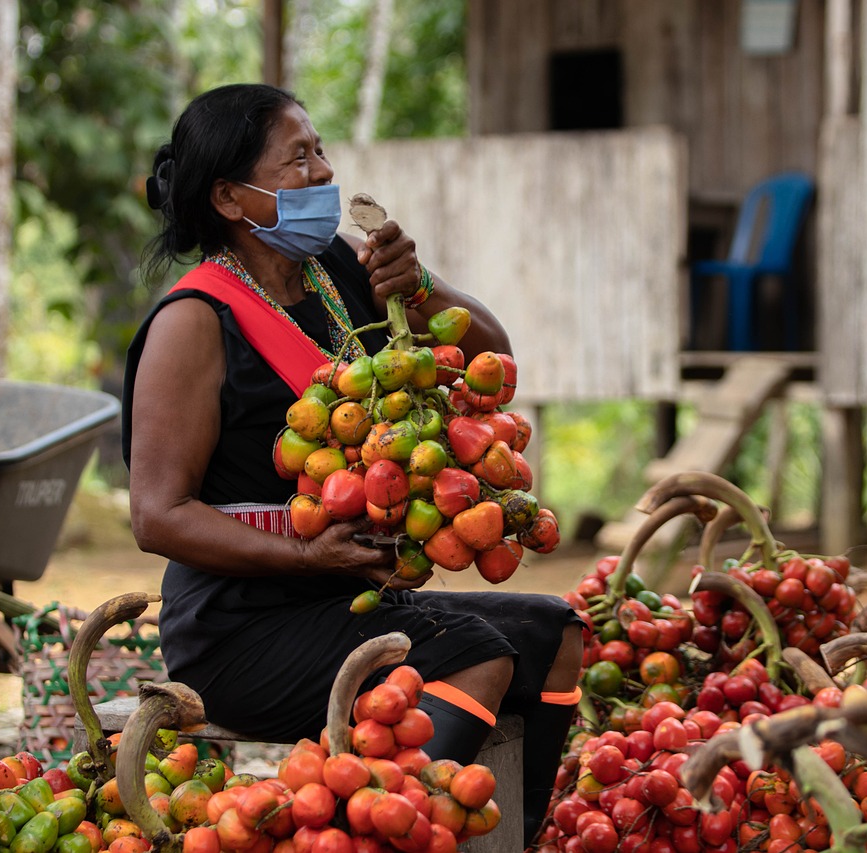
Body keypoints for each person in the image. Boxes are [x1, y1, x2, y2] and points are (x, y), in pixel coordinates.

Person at [121, 83, 582, 848]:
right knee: (478, 653)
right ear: (234, 198)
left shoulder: (337, 268)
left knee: (554, 629)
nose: (323, 171)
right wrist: (304, 553)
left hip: (345, 599)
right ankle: (370, 831)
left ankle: (513, 834)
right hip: (239, 629)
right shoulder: (194, 321)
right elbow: (156, 514)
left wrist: (422, 286)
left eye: (321, 148)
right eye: (297, 157)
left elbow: (493, 362)